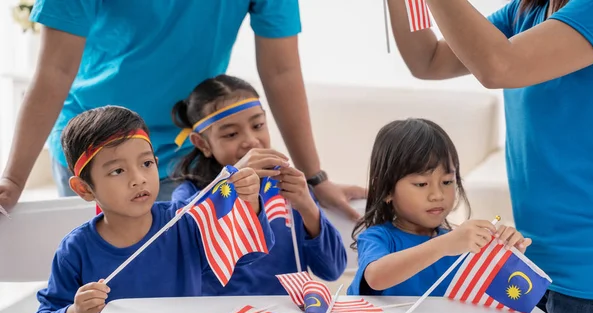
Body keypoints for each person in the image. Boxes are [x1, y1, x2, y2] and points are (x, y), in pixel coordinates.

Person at [0, 0, 365, 219]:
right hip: (95, 145)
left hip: (188, 150)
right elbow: (54, 71)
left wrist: (314, 178)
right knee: (100, 282)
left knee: (182, 286)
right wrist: (13, 180)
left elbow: (281, 71)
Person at [386, 0, 593, 313]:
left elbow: (499, 65)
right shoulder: (526, 11)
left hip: (589, 281)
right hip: (537, 267)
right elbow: (428, 60)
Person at [28, 106, 274, 313]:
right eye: (118, 171)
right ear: (84, 188)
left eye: (146, 164)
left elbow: (246, 253)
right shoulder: (76, 250)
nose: (138, 179)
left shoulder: (184, 221)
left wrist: (249, 204)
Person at [170, 74, 347, 295]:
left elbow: (333, 270)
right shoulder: (191, 194)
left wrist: (307, 207)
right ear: (202, 144)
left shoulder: (288, 185)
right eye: (232, 134)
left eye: (258, 125)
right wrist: (232, 184)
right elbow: (183, 254)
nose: (251, 140)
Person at [347, 119, 531, 296]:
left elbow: (497, 296)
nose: (438, 195)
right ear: (386, 189)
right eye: (421, 184)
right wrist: (445, 245)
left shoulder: (462, 243)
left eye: (447, 181)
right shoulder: (378, 238)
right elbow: (376, 277)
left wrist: (509, 257)